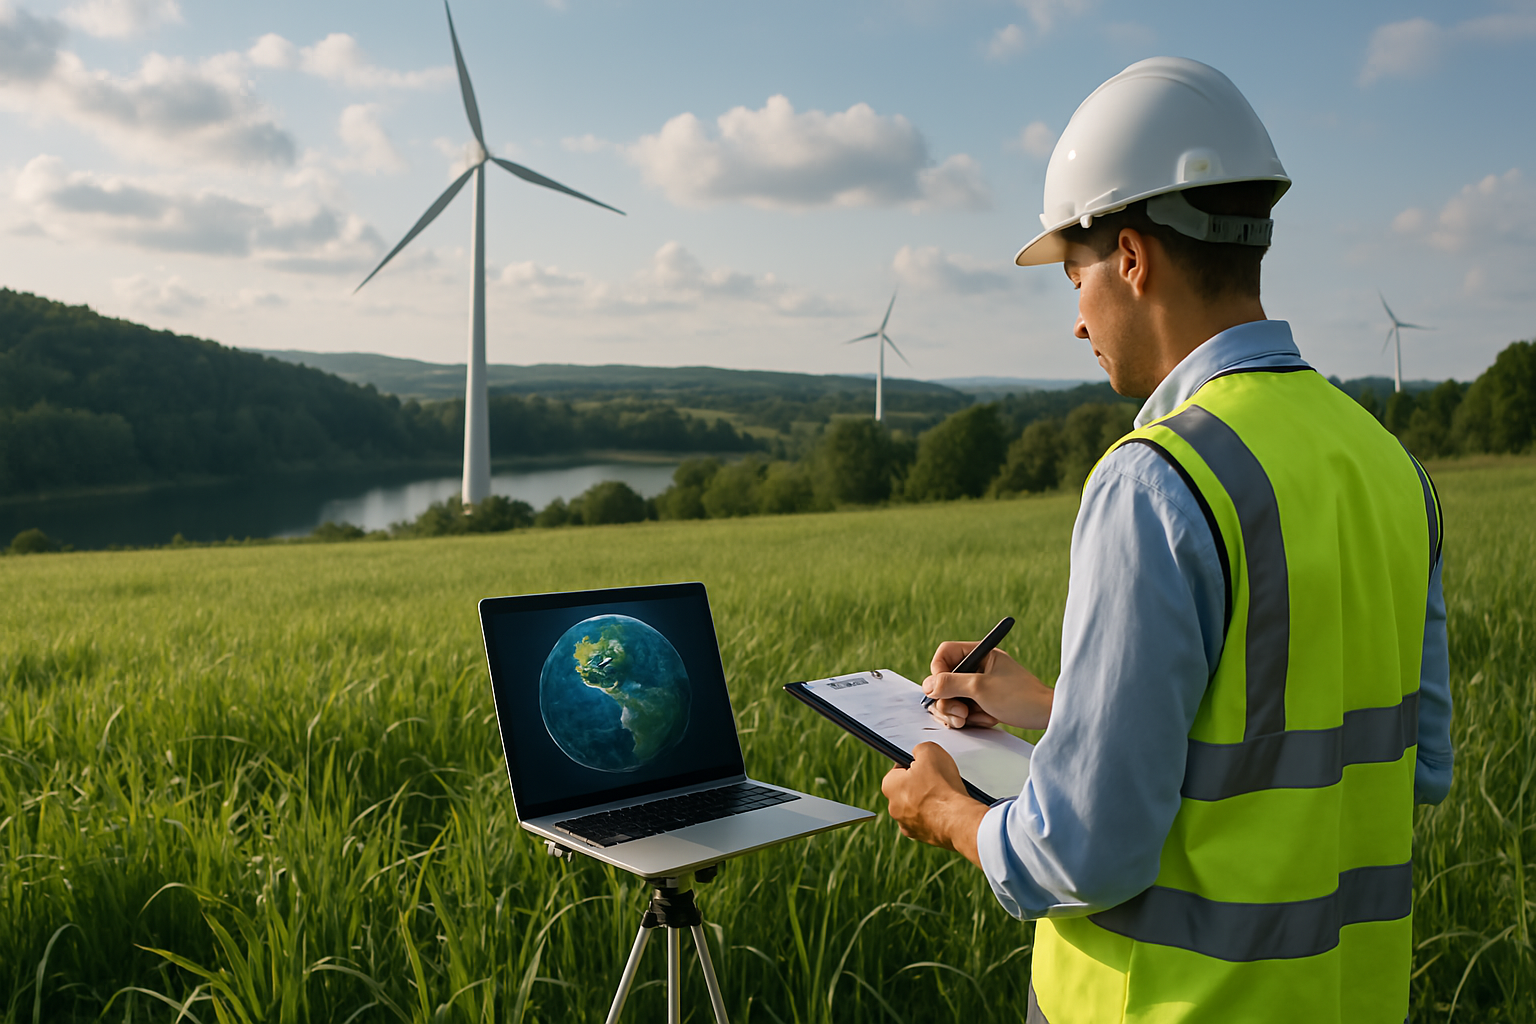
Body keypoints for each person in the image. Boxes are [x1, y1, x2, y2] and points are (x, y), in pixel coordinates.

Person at [880, 57, 1452, 1024]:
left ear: (1133, 259)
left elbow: (1086, 854)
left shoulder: (1159, 479)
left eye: (1075, 275)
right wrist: (1064, 708)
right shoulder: (1391, 466)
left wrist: (946, 812)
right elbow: (1407, 761)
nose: (1076, 320)